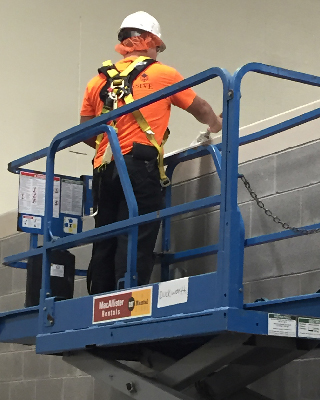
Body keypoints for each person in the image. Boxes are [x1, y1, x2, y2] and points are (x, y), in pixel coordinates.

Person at [80, 11, 222, 295]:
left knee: (105, 235)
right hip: (139, 166)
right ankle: (127, 299)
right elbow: (201, 109)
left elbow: (85, 132)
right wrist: (218, 125)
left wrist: (110, 147)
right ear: (149, 42)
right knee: (136, 233)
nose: (158, 51)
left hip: (103, 170)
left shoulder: (97, 82)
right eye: (157, 46)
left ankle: (99, 300)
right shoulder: (162, 74)